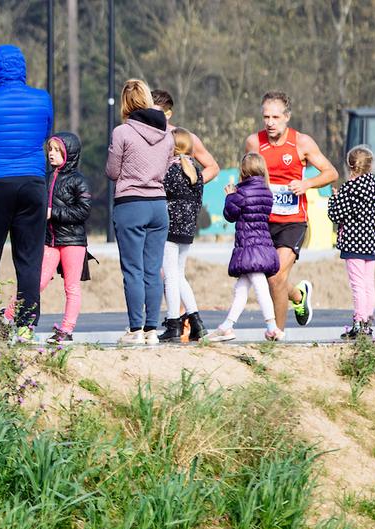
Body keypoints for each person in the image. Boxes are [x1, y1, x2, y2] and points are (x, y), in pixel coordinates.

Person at [0, 44, 53, 339]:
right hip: (32, 182)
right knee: (29, 256)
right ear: (23, 68)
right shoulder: (43, 100)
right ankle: (26, 325)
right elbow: (45, 132)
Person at [245, 91, 338, 334]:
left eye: (275, 117)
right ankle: (298, 295)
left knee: (275, 276)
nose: (270, 122)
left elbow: (331, 173)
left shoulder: (302, 143)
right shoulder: (254, 142)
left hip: (292, 221)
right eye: (266, 116)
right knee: (267, 276)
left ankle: (278, 336)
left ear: (287, 117)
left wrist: (306, 184)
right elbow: (246, 173)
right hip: (263, 220)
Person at [3, 133, 91, 345]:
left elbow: (84, 210)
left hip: (73, 242)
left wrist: (54, 213)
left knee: (71, 287)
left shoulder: (78, 181)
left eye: (57, 150)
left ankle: (66, 330)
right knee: (35, 282)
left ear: (69, 153)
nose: (51, 154)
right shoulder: (44, 177)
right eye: (50, 149)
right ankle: (6, 317)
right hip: (49, 240)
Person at [105, 79, 173, 346]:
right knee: (153, 270)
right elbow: (166, 168)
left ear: (125, 103)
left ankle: (134, 329)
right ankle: (151, 330)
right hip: (158, 204)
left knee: (132, 269)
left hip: (131, 204)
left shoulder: (122, 132)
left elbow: (112, 171)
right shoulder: (167, 135)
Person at [205, 153, 282, 342]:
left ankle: (272, 327)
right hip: (263, 244)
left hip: (248, 246)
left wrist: (230, 196)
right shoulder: (267, 191)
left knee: (259, 284)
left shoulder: (240, 193)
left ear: (243, 170)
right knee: (241, 288)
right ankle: (227, 326)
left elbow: (230, 215)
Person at [328, 145, 375, 339]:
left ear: (350, 166)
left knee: (357, 284)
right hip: (370, 240)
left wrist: (334, 199)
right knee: (368, 284)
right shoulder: (374, 187)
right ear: (369, 166)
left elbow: (335, 214)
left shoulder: (349, 188)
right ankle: (367, 324)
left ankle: (358, 323)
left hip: (353, 242)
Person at [159, 128, 206, 343]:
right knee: (179, 274)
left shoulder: (168, 170)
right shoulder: (196, 171)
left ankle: (173, 322)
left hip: (170, 227)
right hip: (187, 228)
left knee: (169, 276)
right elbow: (198, 201)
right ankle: (196, 322)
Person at [150, 90, 221, 184]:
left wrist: (191, 186)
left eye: (158, 113)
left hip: (181, 198)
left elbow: (213, 167)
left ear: (168, 114)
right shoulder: (141, 137)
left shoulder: (187, 139)